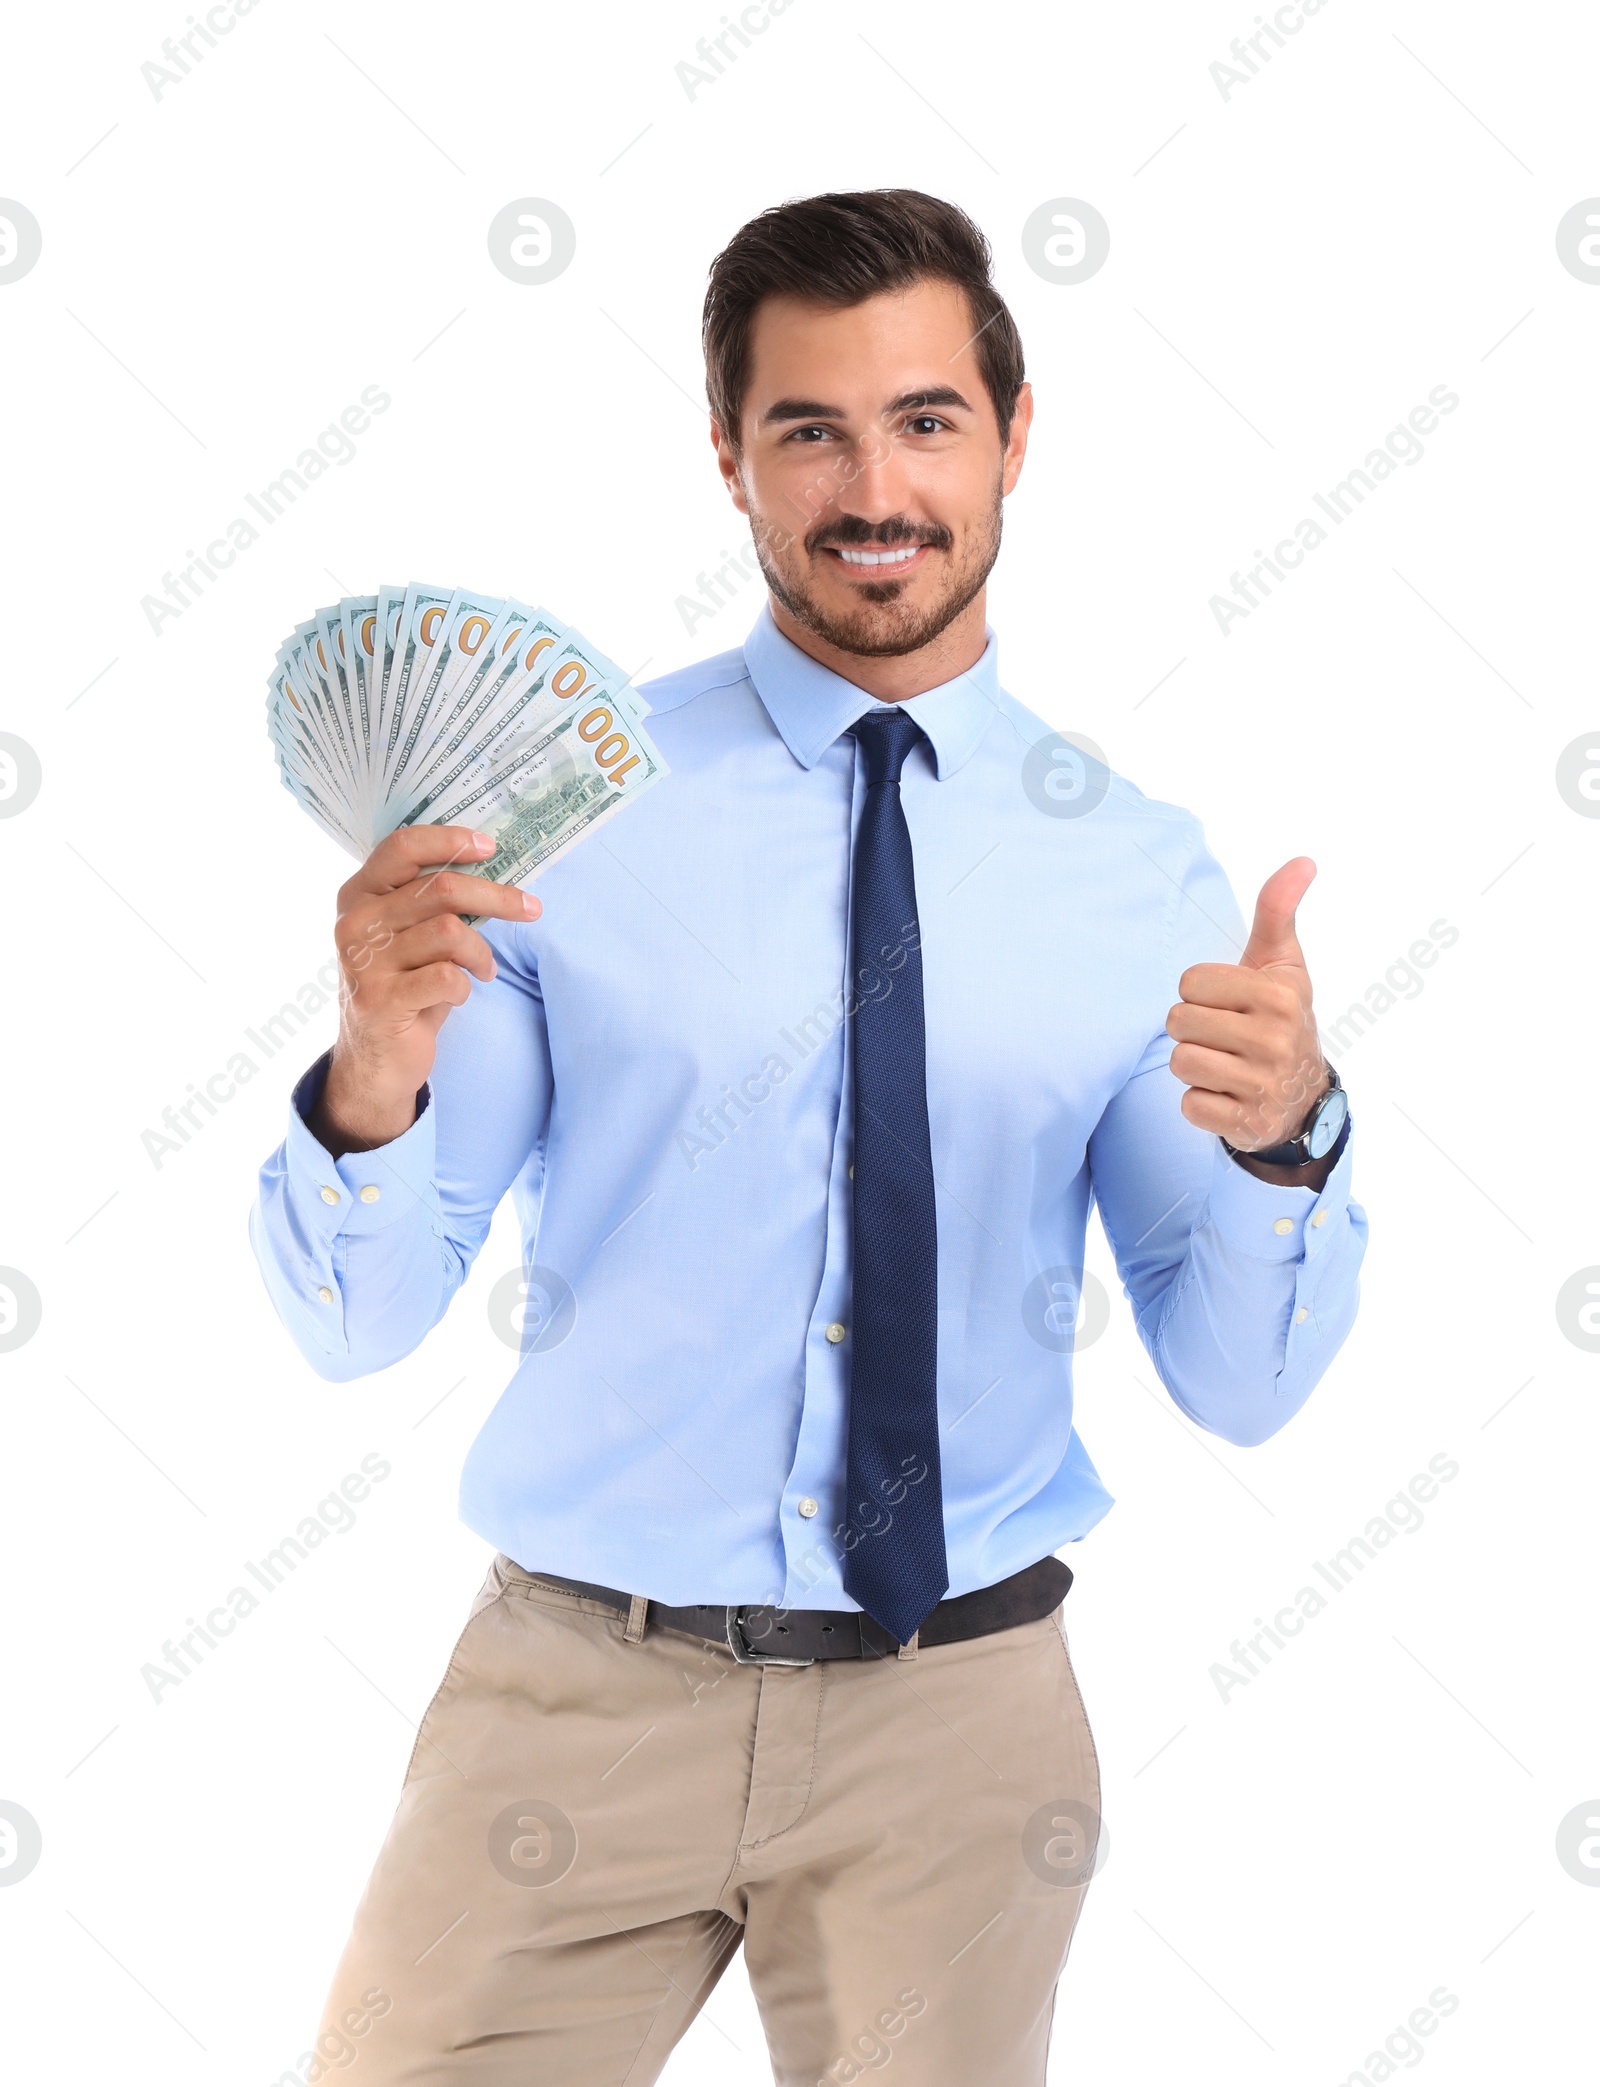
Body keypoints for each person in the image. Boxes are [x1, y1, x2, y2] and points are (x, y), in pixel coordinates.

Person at [250, 188, 1367, 2087]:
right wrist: (370, 1065)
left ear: (1016, 434)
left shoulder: (1137, 870)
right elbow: (359, 1321)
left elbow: (1237, 1387)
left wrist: (1288, 1147)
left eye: (926, 420)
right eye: (810, 430)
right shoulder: (565, 823)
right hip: (576, 1702)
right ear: (728, 456)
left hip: (962, 1730)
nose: (875, 489)